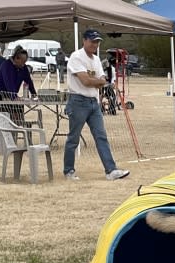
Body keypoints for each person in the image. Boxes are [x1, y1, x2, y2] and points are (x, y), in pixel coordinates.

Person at [64, 29, 129, 181]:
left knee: (101, 136)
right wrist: (98, 81)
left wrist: (97, 81)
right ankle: (69, 171)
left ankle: (111, 170)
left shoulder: (96, 59)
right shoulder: (76, 57)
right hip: (78, 101)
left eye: (98, 42)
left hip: (94, 102)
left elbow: (101, 81)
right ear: (84, 41)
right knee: (73, 138)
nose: (95, 44)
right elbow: (86, 81)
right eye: (93, 41)